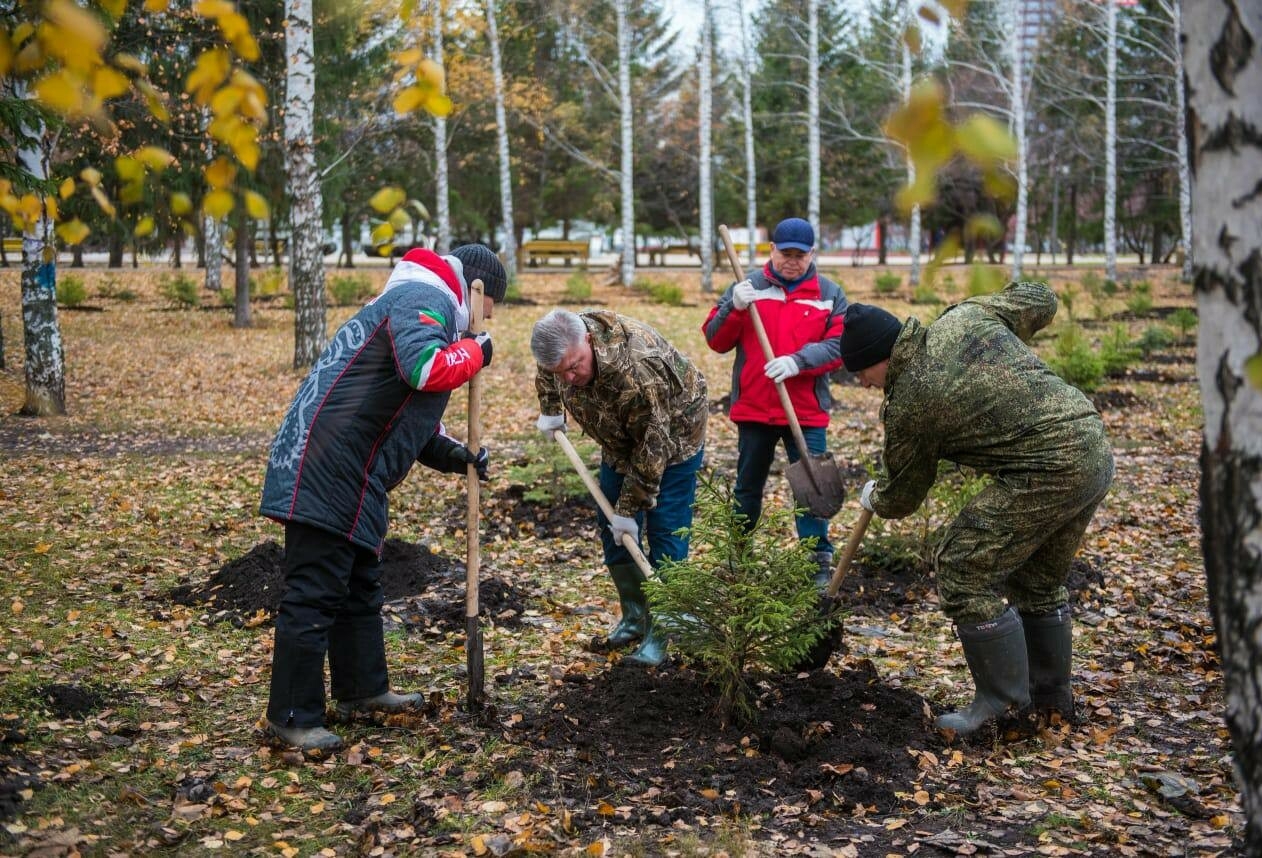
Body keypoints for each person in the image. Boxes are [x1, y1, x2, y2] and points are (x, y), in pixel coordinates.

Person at [259, 244, 507, 752]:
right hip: (325, 466)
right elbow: (425, 369)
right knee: (315, 595)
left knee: (357, 590)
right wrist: (477, 351)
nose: (489, 320)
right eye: (492, 309)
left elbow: (409, 421)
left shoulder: (426, 303)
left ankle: (362, 691)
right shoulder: (425, 297)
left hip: (354, 472)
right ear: (478, 291)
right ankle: (292, 716)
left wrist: (460, 456)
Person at [842, 280, 1114, 737]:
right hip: (1091, 448)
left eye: (860, 374)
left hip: (1046, 469)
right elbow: (1042, 298)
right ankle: (1050, 702)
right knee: (1037, 581)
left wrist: (875, 497)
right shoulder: (966, 318)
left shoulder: (912, 400)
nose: (863, 384)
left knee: (962, 566)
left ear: (879, 359)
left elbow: (904, 496)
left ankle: (1004, 707)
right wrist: (1000, 348)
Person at [531, 308, 707, 666]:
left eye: (575, 365)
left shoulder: (637, 369)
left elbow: (652, 444)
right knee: (611, 525)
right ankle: (635, 615)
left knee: (665, 528)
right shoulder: (561, 347)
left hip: (673, 436)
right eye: (560, 371)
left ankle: (664, 628)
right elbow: (550, 372)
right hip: (618, 436)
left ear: (590, 341)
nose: (569, 376)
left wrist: (630, 509)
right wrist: (551, 408)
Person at [702, 217, 848, 586]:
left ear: (813, 254)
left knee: (813, 485)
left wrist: (799, 361)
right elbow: (715, 340)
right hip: (755, 407)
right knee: (748, 484)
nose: (792, 261)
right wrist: (733, 307)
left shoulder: (829, 294)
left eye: (801, 255)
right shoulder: (747, 286)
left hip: (806, 410)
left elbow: (839, 346)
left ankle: (816, 560)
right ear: (772, 250)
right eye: (786, 254)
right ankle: (739, 554)